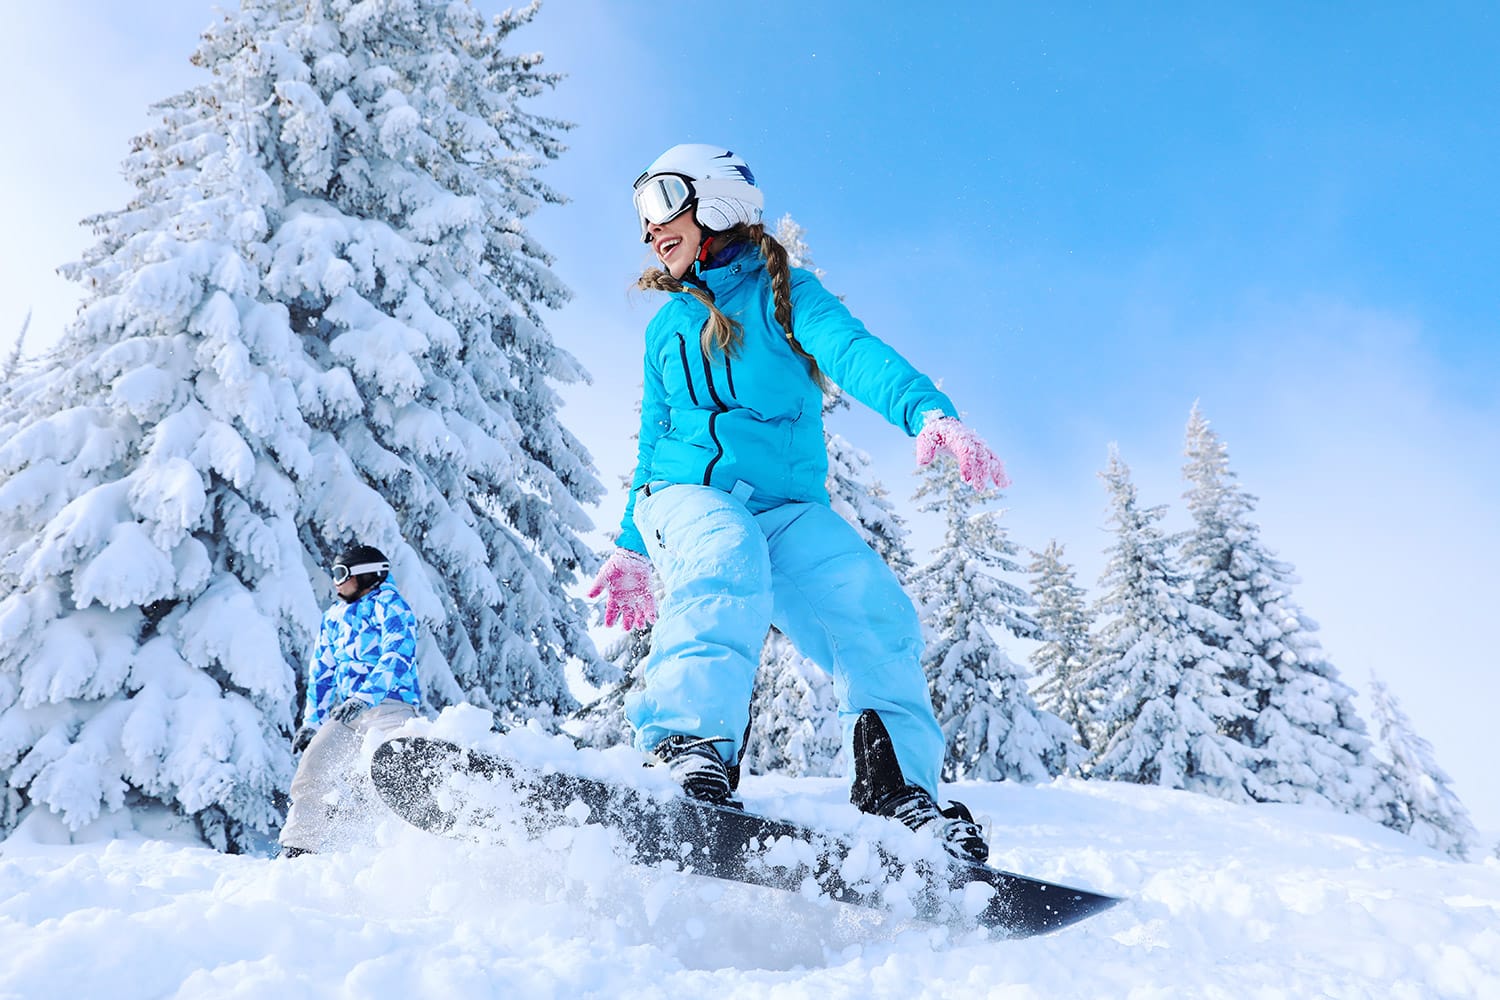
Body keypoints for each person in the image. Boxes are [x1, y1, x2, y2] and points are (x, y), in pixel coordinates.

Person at [588, 144, 1011, 863]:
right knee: (725, 550)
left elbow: (852, 350)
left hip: (784, 508)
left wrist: (926, 412)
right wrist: (633, 542)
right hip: (686, 496)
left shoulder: (786, 294)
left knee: (874, 609)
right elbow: (655, 438)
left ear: (716, 198)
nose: (649, 230)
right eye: (640, 218)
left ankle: (899, 794)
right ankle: (686, 747)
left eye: (661, 202)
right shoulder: (666, 329)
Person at [279, 544, 422, 857]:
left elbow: (397, 654)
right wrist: (311, 723)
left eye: (341, 574)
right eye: (334, 574)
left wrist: (365, 696)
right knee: (312, 767)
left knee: (399, 771)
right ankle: (299, 847)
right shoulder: (334, 617)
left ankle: (417, 844)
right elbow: (322, 671)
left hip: (390, 707)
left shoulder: (391, 606)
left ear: (367, 575)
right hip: (349, 713)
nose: (336, 582)